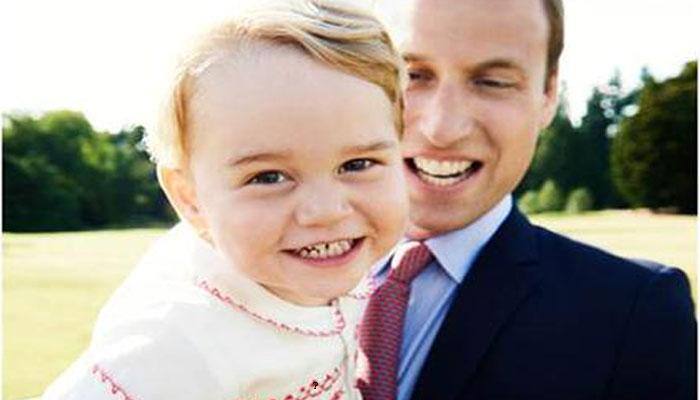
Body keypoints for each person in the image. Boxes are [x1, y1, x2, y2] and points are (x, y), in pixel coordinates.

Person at [41, 1, 409, 399]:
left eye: (358, 164)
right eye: (268, 177)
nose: (326, 210)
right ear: (190, 198)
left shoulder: (327, 272)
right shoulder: (170, 345)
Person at [357, 0, 696, 399]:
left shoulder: (633, 314)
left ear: (549, 94)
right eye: (411, 75)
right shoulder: (268, 276)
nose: (442, 128)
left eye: (493, 82)